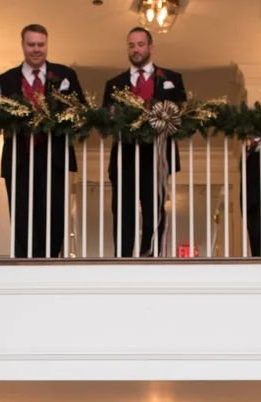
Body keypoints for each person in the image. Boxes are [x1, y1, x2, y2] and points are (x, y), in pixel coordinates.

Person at [0, 25, 86, 258]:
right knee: (21, 214)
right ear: (22, 45)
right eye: (31, 44)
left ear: (47, 45)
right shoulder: (5, 79)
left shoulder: (65, 75)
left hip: (54, 158)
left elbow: (81, 110)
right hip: (20, 159)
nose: (36, 49)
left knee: (55, 214)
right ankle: (24, 264)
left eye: (40, 45)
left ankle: (51, 261)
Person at [103, 28, 186, 257]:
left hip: (157, 157)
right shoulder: (114, 83)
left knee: (154, 211)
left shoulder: (172, 79)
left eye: (140, 44)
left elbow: (181, 114)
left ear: (150, 47)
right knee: (123, 212)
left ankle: (152, 258)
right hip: (125, 158)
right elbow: (105, 118)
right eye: (131, 45)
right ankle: (123, 260)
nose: (136, 49)